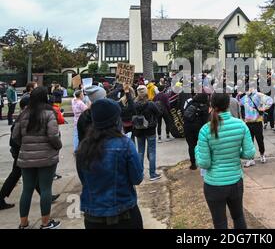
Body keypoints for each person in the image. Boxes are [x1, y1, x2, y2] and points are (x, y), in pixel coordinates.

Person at [76, 99, 144, 229]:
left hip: (93, 217)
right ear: (116, 121)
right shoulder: (125, 144)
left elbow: (83, 180)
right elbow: (137, 178)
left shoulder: (83, 147)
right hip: (124, 215)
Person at [195, 93, 256, 229]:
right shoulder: (240, 125)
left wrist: (196, 150)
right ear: (228, 104)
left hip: (214, 184)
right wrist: (235, 153)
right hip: (235, 182)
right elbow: (249, 153)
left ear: (211, 106)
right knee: (238, 216)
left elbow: (204, 163)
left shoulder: (205, 130)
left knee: (220, 223)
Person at [12, 87, 62, 229]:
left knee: (27, 189)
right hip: (47, 157)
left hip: (26, 157)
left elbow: (15, 136)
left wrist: (25, 145)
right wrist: (58, 146)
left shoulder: (23, 114)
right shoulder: (49, 113)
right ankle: (45, 222)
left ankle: (23, 223)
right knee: (46, 189)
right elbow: (53, 135)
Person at [0, 95, 60, 211]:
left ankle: (46, 196)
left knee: (28, 176)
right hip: (21, 152)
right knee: (16, 176)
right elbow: (15, 138)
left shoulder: (23, 117)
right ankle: (0, 197)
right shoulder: (23, 118)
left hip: (22, 151)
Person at [239, 85, 273, 167]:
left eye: (248, 89)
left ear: (252, 88)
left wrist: (263, 108)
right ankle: (250, 159)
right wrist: (238, 95)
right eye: (246, 90)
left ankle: (262, 155)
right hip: (248, 122)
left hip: (257, 121)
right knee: (249, 142)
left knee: (260, 140)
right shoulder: (245, 97)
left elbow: (270, 100)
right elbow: (239, 103)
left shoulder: (258, 95)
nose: (247, 91)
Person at [133, 85, 162, 181]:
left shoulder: (134, 104)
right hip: (150, 130)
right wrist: (153, 121)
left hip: (138, 130)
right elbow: (159, 113)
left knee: (140, 152)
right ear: (146, 93)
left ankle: (140, 173)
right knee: (152, 151)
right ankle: (152, 174)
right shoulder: (151, 104)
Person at [183, 93, 210, 170]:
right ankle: (201, 162)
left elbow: (184, 113)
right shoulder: (205, 107)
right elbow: (205, 121)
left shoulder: (190, 103)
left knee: (191, 145)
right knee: (201, 145)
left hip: (187, 127)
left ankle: (193, 164)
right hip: (199, 128)